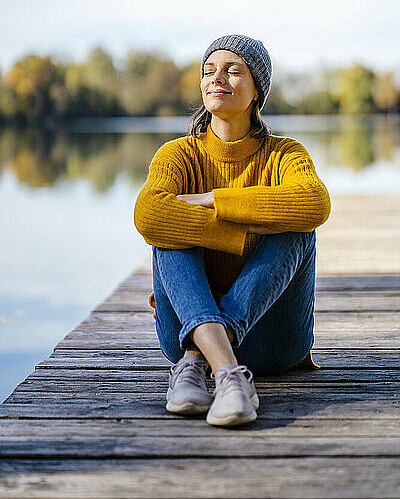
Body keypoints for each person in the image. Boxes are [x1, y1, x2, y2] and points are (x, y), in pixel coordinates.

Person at [134, 33, 331, 428]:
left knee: (295, 228)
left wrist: (210, 199)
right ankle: (226, 373)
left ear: (257, 89)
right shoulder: (177, 154)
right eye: (208, 71)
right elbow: (149, 215)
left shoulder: (286, 153)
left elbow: (315, 203)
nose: (215, 78)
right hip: (185, 332)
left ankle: (200, 362)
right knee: (168, 234)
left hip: (274, 342)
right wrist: (245, 231)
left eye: (232, 70)